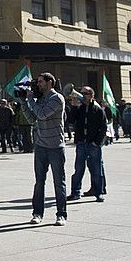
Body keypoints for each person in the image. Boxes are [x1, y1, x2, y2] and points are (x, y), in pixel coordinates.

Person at [20, 72, 67, 226]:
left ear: (50, 82)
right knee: (39, 182)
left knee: (58, 183)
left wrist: (30, 100)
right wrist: (23, 103)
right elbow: (32, 119)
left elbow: (42, 114)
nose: (38, 85)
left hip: (55, 147)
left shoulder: (57, 98)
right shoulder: (39, 99)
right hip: (40, 146)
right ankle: (37, 213)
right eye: (38, 82)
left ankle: (61, 215)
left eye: (40, 82)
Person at [68, 87, 106, 202]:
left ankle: (98, 192)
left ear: (92, 95)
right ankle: (75, 192)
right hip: (81, 143)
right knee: (78, 169)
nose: (83, 95)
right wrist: (74, 106)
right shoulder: (80, 108)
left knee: (96, 169)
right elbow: (70, 120)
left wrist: (97, 142)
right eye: (82, 93)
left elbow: (103, 127)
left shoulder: (97, 109)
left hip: (93, 144)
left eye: (86, 93)